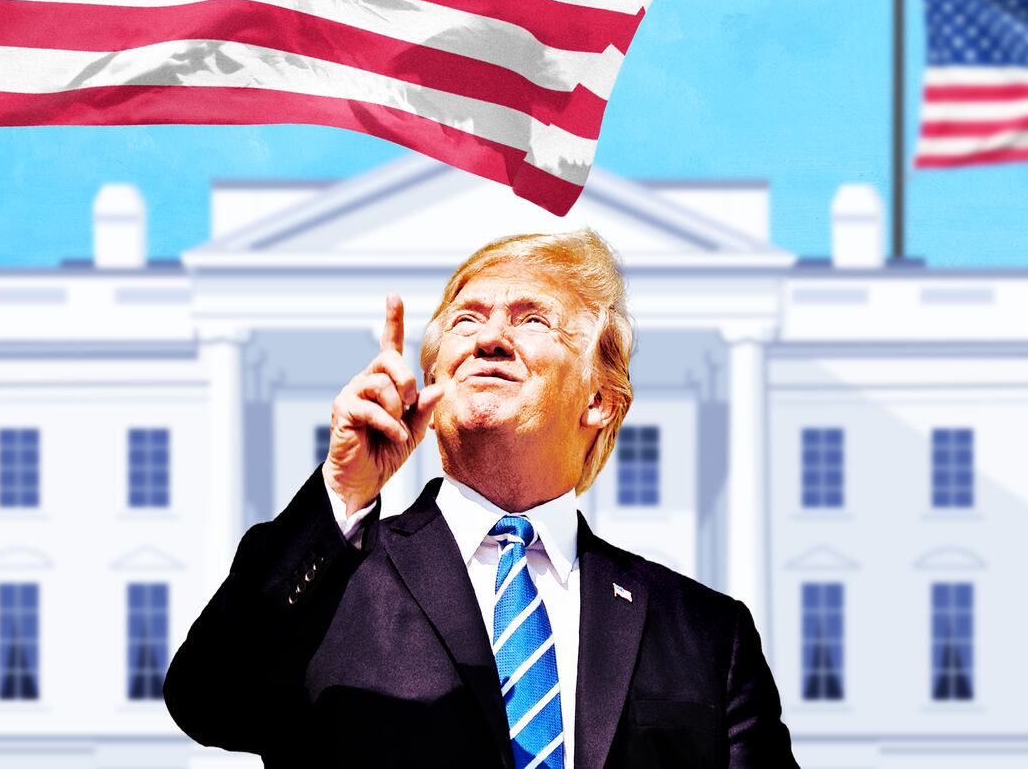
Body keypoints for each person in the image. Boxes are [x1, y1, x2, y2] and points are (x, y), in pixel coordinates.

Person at [164, 230, 798, 769]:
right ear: (435, 382)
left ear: (600, 400)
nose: (489, 338)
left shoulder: (708, 632)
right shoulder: (329, 575)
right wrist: (344, 489)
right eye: (467, 320)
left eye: (531, 319)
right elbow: (207, 699)